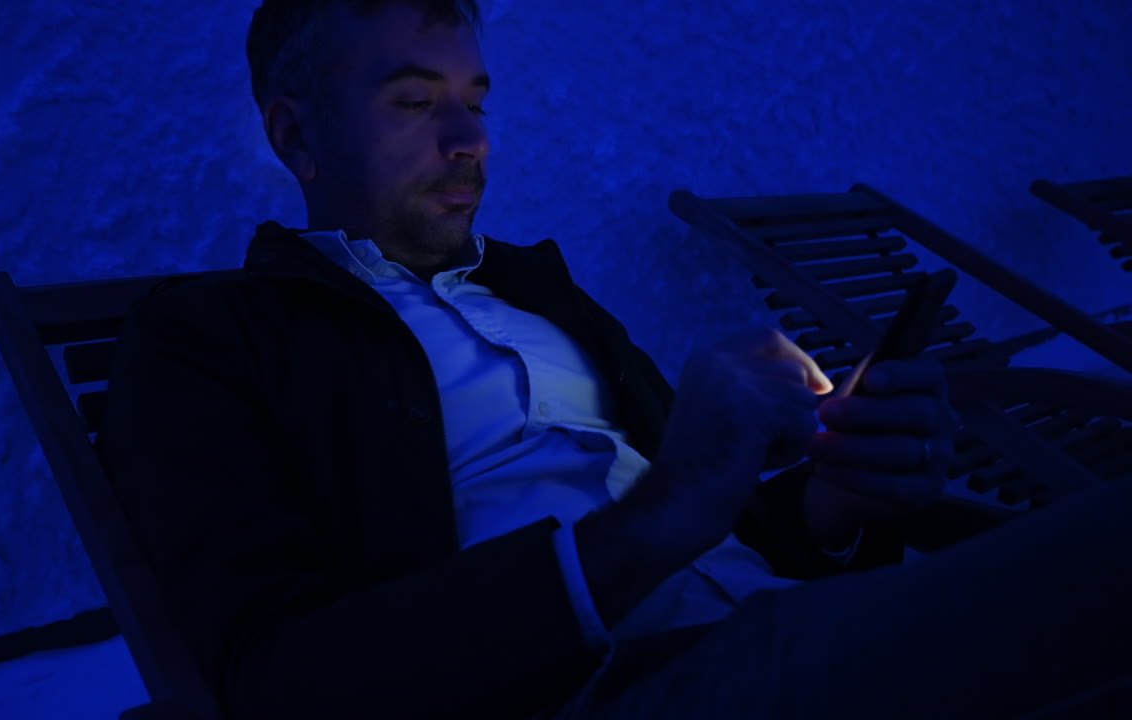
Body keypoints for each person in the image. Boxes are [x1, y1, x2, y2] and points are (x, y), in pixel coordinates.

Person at [96, 1, 1132, 718]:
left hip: (786, 629)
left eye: (476, 99)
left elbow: (717, 518)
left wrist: (836, 506)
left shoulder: (542, 295)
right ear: (296, 136)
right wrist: (659, 519)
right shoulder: (208, 340)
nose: (468, 138)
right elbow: (282, 685)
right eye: (414, 104)